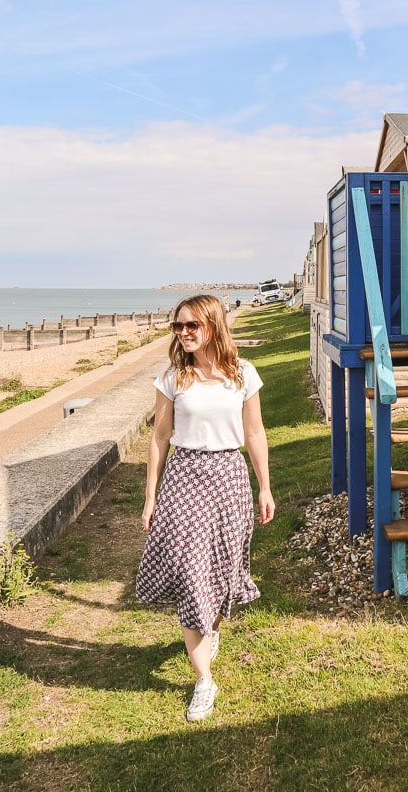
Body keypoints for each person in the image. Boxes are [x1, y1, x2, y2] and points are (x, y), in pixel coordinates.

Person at [136, 293, 274, 722]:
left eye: (192, 325)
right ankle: (203, 681)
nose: (184, 333)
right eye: (178, 326)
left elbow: (254, 435)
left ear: (213, 324)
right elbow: (159, 439)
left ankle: (208, 628)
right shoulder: (174, 377)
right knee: (189, 569)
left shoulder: (243, 375)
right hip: (184, 478)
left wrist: (264, 487)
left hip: (229, 479)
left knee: (218, 567)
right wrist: (150, 497)